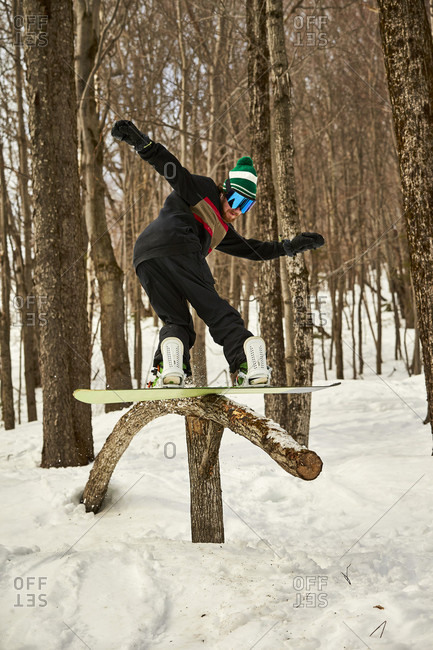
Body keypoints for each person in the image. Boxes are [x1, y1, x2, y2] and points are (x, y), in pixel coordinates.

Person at [111, 120, 325, 387]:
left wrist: (289, 247)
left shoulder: (222, 230)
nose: (237, 210)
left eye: (245, 206)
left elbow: (254, 250)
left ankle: (169, 367)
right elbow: (172, 170)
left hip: (144, 257)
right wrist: (142, 143)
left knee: (176, 320)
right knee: (216, 311)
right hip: (178, 244)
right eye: (235, 200)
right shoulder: (202, 189)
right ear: (224, 191)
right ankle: (246, 357)